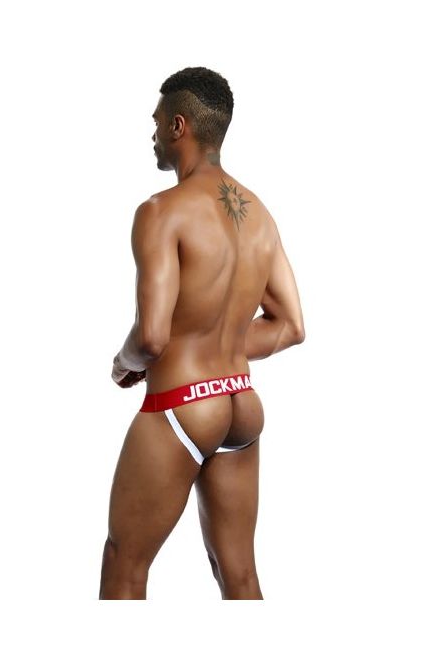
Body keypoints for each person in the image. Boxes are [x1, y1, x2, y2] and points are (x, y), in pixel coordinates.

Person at [99, 67, 305, 600]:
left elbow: (151, 338)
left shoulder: (160, 212)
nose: (151, 133)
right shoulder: (260, 215)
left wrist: (123, 363)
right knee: (239, 574)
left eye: (156, 121)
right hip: (240, 404)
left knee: (125, 564)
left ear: (179, 126)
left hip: (182, 404)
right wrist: (226, 342)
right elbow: (291, 326)